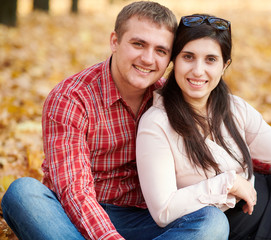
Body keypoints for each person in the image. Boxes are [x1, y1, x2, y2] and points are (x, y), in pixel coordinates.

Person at [0, 3, 231, 240]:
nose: (148, 58)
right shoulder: (71, 98)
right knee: (22, 193)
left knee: (212, 222)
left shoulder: (170, 99)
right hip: (71, 217)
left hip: (142, 219)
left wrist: (263, 167)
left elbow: (224, 140)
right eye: (138, 44)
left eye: (161, 51)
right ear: (114, 42)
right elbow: (74, 191)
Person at [136, 13, 271, 239]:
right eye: (188, 57)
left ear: (225, 66)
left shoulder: (235, 108)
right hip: (233, 226)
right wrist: (228, 183)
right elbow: (163, 211)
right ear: (174, 61)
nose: (198, 70)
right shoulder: (156, 124)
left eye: (211, 59)